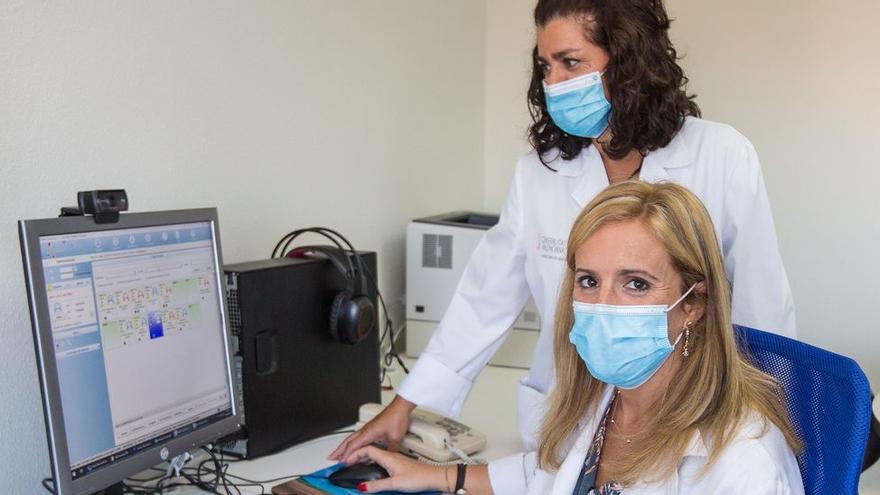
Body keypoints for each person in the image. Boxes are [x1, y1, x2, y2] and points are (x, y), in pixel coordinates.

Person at [330, 0, 795, 461]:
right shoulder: (540, 174)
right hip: (569, 422)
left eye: (570, 63)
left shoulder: (721, 156)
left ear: (629, 62)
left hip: (686, 422)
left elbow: (761, 306)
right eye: (545, 66)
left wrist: (763, 432)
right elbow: (485, 298)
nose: (552, 84)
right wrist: (407, 403)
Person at [342, 181, 805, 494]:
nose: (603, 304)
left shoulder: (743, 463)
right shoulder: (611, 398)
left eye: (636, 283)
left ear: (694, 304)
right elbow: (548, 476)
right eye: (588, 281)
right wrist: (442, 476)